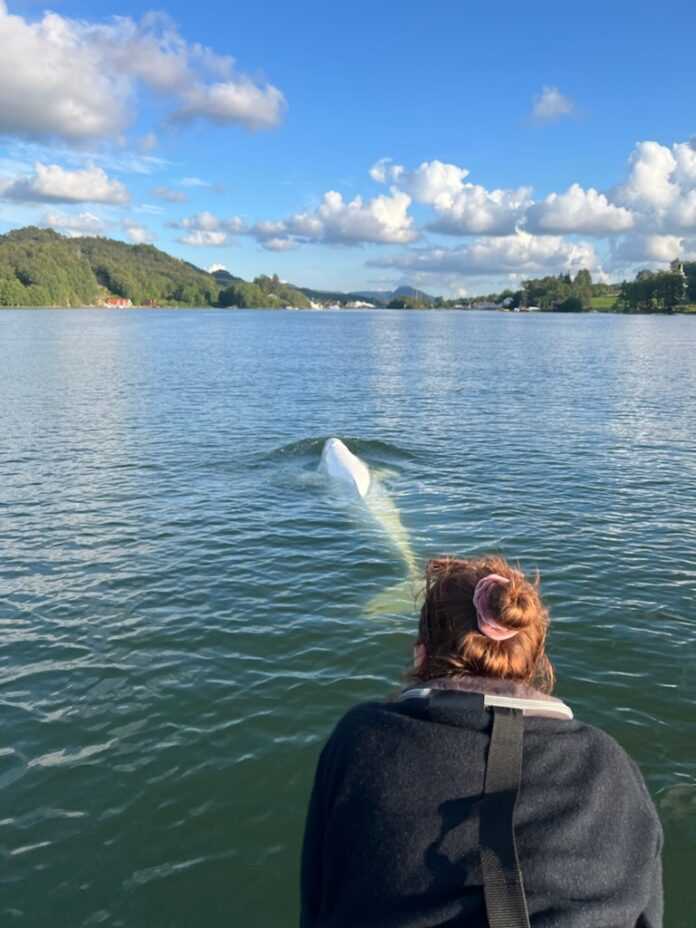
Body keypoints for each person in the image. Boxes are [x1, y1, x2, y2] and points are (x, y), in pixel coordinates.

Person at [300, 555, 663, 927]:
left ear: (421, 653)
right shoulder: (608, 762)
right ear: (536, 663)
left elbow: (317, 898)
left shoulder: (361, 739)